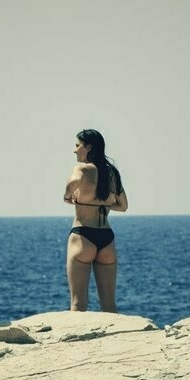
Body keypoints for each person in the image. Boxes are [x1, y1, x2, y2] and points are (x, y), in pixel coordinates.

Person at [63, 129, 128, 312]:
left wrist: (69, 197)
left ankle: (78, 341)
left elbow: (71, 185)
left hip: (83, 236)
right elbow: (123, 206)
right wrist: (104, 206)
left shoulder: (82, 169)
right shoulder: (112, 173)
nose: (75, 151)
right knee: (109, 305)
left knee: (78, 303)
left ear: (88, 147)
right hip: (107, 239)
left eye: (77, 146)